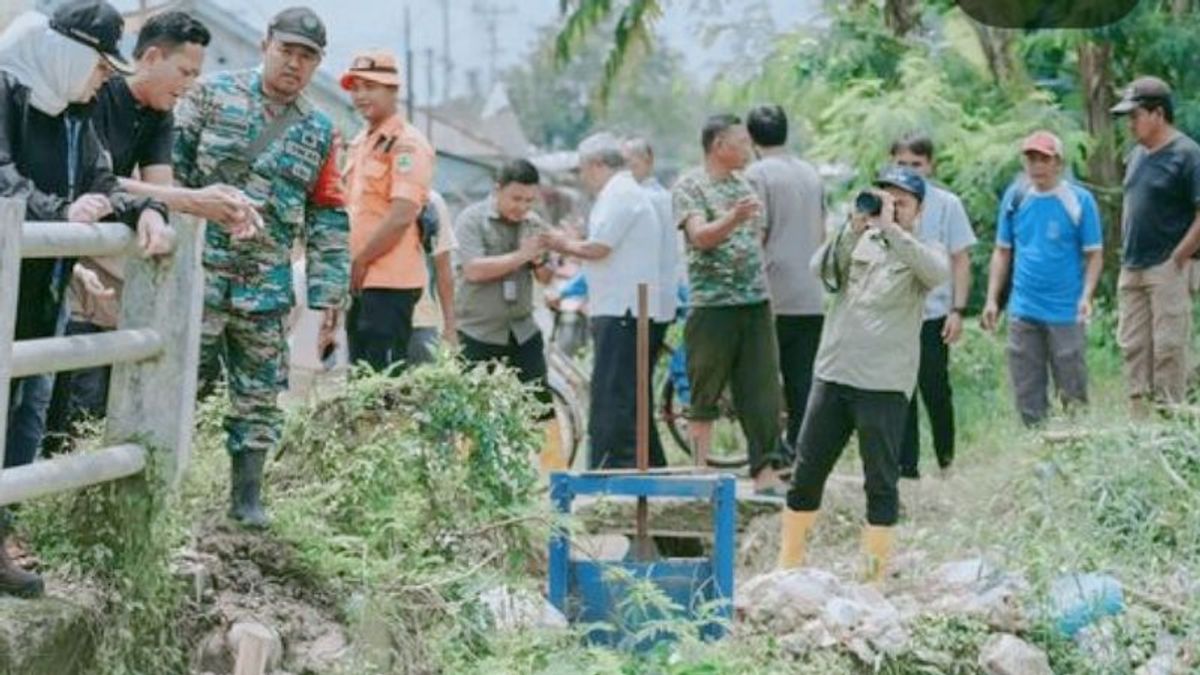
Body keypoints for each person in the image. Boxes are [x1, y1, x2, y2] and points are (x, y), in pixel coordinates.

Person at [0, 0, 171, 598]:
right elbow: (1, 178)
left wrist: (149, 210)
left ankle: (0, 537)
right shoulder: (6, 92)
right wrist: (59, 213)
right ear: (66, 53)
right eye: (100, 66)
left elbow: (101, 180)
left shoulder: (78, 110)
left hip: (40, 295)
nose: (104, 79)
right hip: (5, 286)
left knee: (26, 414)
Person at [45, 10, 258, 455]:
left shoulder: (159, 113)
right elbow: (96, 178)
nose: (190, 83)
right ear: (153, 57)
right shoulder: (95, 93)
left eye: (197, 75)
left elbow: (160, 193)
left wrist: (216, 205)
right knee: (59, 385)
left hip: (108, 248)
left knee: (97, 383)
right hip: (70, 235)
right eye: (184, 71)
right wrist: (194, 199)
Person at [175, 6, 349, 529]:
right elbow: (170, 171)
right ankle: (166, 494)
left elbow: (328, 211)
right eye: (287, 50)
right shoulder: (209, 94)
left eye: (307, 57)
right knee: (181, 387)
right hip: (199, 274)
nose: (294, 64)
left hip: (265, 284)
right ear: (265, 44)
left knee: (258, 395)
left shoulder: (319, 129)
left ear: (318, 64)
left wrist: (329, 295)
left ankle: (246, 500)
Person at [778, 167, 948, 583]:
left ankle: (872, 578)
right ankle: (788, 565)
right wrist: (854, 228)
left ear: (918, 210)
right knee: (806, 473)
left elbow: (936, 274)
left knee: (880, 483)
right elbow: (820, 268)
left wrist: (893, 230)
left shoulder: (923, 248)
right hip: (835, 373)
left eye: (901, 202)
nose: (890, 207)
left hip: (884, 383)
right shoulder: (860, 241)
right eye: (884, 198)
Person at [673, 114, 786, 495]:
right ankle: (700, 469)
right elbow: (700, 237)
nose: (748, 150)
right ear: (719, 146)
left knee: (763, 389)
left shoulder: (747, 185)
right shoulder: (691, 187)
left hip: (753, 302)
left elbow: (759, 240)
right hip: (712, 305)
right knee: (704, 388)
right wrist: (733, 217)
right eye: (740, 142)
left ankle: (766, 470)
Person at [543, 132, 670, 469]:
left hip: (624, 308)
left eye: (583, 169)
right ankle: (644, 462)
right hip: (620, 305)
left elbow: (598, 248)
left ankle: (616, 465)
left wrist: (558, 242)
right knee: (627, 390)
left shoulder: (620, 194)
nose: (582, 178)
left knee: (615, 393)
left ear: (597, 165)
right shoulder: (621, 194)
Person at [981, 131, 1103, 426]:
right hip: (1024, 307)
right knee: (1026, 387)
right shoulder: (1016, 198)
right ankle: (1037, 446)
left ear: (1058, 163)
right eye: (1031, 159)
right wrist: (992, 300)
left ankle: (1077, 444)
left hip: (1065, 309)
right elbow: (1002, 251)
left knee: (1071, 383)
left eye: (1044, 159)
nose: (1037, 166)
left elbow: (1094, 255)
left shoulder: (1079, 201)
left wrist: (1086, 295)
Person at [454, 159, 562, 472]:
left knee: (539, 406)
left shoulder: (535, 224)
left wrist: (542, 261)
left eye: (530, 200)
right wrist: (521, 256)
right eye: (516, 199)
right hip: (478, 332)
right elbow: (473, 270)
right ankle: (469, 482)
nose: (523, 207)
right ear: (497, 190)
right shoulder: (471, 220)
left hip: (522, 330)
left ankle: (557, 480)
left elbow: (545, 278)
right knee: (473, 411)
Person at [341, 48, 436, 373]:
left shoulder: (407, 144)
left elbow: (402, 214)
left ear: (393, 89)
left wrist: (362, 260)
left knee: (383, 384)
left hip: (389, 283)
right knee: (361, 381)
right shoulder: (361, 143)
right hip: (360, 282)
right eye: (355, 87)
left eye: (370, 86)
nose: (360, 95)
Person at [1110, 76, 1200, 412]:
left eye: (1135, 116)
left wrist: (1179, 257)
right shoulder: (1136, 156)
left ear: (1158, 114)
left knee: (1168, 346)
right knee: (1133, 345)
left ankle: (1170, 418)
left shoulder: (1187, 154)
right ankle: (1139, 421)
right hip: (1133, 265)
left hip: (1168, 265)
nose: (1130, 124)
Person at [890, 133, 976, 478]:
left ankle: (946, 461)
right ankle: (906, 467)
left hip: (934, 313)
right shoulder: (884, 203)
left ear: (930, 165)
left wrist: (958, 310)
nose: (911, 170)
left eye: (917, 164)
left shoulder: (947, 203)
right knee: (900, 392)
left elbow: (961, 258)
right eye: (902, 163)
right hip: (894, 314)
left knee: (936, 389)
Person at [744, 104, 826, 457]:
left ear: (750, 138)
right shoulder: (811, 174)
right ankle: (804, 449)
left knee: (764, 378)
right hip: (811, 289)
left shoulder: (756, 175)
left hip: (774, 292)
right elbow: (823, 231)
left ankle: (773, 451)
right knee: (803, 378)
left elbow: (755, 236)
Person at [407, 190, 458, 364]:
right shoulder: (363, 193)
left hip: (421, 319)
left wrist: (450, 327)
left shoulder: (431, 201)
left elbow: (443, 267)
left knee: (424, 387)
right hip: (370, 316)